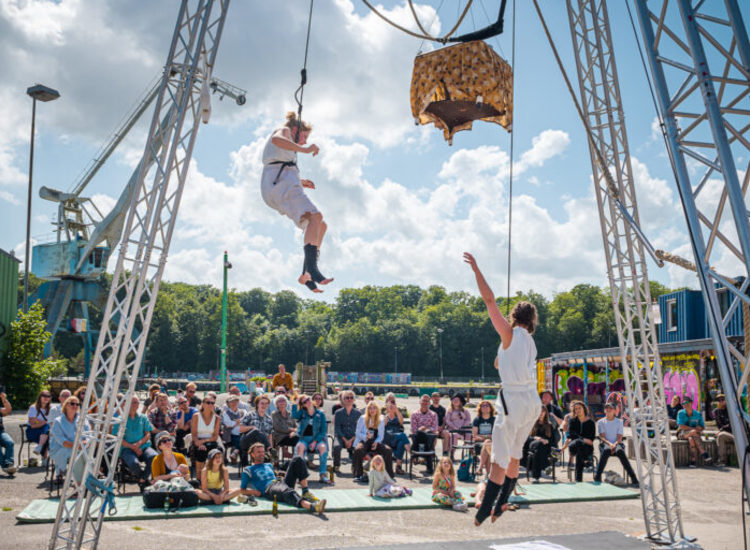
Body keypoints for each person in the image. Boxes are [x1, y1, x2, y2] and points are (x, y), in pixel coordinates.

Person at [464, 252, 541, 525]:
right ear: (532, 320)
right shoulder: (530, 342)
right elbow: (503, 362)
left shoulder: (508, 333)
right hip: (531, 402)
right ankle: (502, 503)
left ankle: (485, 509)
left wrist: (476, 270)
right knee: (515, 455)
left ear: (513, 317)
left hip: (513, 401)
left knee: (499, 457)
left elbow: (489, 300)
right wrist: (501, 355)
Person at [260, 112, 332, 292]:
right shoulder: (284, 131)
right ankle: (312, 270)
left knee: (320, 225)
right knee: (316, 217)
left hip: (278, 187)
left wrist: (300, 181)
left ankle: (306, 274)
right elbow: (277, 140)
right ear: (295, 130)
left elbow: (279, 164)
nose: (305, 142)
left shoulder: (285, 153)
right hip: (280, 186)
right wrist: (305, 150)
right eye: (304, 137)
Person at [240, 442, 326, 514]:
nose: (262, 454)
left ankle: (305, 492)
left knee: (298, 459)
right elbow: (242, 490)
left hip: (279, 483)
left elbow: (274, 476)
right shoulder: (248, 470)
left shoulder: (268, 465)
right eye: (259, 452)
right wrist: (253, 492)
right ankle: (313, 507)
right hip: (269, 489)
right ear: (252, 454)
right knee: (287, 491)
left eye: (263, 451)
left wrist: (281, 474)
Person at [117, 395, 158, 490]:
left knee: (154, 457)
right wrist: (133, 447)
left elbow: (148, 434)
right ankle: (144, 480)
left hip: (143, 446)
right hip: (127, 448)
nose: (135, 405)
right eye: (132, 402)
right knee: (134, 463)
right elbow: (118, 438)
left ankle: (142, 479)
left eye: (136, 402)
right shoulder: (121, 419)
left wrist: (139, 444)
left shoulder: (143, 417)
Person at [594, 402, 638, 486]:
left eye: (610, 408)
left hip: (617, 443)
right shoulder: (600, 422)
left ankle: (634, 478)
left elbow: (620, 436)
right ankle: (598, 476)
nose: (608, 410)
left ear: (614, 411)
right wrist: (610, 444)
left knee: (620, 451)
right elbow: (602, 437)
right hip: (606, 443)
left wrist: (615, 444)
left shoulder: (619, 422)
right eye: (607, 408)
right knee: (606, 450)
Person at [294, 393, 333, 484]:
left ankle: (323, 475)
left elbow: (323, 431)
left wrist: (315, 441)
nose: (307, 402)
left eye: (308, 399)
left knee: (323, 447)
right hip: (304, 439)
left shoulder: (320, 414)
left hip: (316, 439)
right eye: (304, 402)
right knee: (300, 448)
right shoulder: (302, 413)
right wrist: (296, 402)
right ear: (303, 405)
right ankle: (301, 476)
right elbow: (294, 415)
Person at [352, 401, 395, 481]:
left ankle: (389, 476)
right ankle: (358, 475)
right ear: (367, 410)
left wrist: (376, 442)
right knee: (358, 449)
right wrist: (365, 436)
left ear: (377, 409)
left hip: (375, 441)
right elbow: (357, 433)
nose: (372, 410)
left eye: (374, 408)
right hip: (364, 440)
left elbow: (381, 435)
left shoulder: (381, 419)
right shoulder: (362, 418)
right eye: (370, 408)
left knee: (388, 450)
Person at [49, 396, 88, 478]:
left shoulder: (83, 420)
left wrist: (85, 443)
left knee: (94, 451)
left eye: (77, 404)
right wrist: (78, 446)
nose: (75, 406)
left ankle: (87, 477)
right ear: (66, 405)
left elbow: (89, 435)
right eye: (72, 404)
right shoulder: (58, 421)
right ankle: (84, 479)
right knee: (78, 453)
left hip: (81, 447)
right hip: (60, 449)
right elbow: (63, 442)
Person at [563, 401, 595, 482]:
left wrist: (580, 439)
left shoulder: (591, 422)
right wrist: (583, 439)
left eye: (579, 408)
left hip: (587, 448)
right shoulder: (572, 421)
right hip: (573, 446)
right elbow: (571, 435)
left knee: (579, 453)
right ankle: (587, 461)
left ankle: (578, 479)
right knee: (578, 443)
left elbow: (591, 440)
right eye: (576, 409)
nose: (578, 410)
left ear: (584, 409)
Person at [238, 395, 274, 468]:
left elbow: (270, 435)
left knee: (261, 441)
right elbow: (240, 429)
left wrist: (271, 445)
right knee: (255, 431)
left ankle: (268, 452)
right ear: (257, 404)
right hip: (247, 442)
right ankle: (269, 449)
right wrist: (252, 427)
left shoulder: (269, 419)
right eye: (262, 403)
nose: (264, 405)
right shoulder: (250, 415)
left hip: (261, 445)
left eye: (266, 403)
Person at [190, 395, 220, 480]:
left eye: (212, 403)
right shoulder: (196, 416)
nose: (210, 404)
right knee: (201, 451)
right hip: (198, 440)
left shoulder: (216, 418)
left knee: (216, 452)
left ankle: (213, 478)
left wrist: (204, 441)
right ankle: (199, 477)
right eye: (208, 402)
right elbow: (194, 434)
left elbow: (215, 436)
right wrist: (199, 442)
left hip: (210, 441)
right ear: (202, 404)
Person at [676, 396, 711, 467]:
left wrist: (700, 428)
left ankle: (693, 460)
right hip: (682, 433)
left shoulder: (698, 414)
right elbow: (682, 426)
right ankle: (702, 451)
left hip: (694, 435)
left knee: (691, 439)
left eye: (687, 402)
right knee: (693, 432)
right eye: (683, 403)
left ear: (691, 403)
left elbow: (702, 427)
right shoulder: (680, 413)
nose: (685, 404)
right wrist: (694, 429)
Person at [333, 390, 361, 473]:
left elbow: (359, 429)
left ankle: (355, 465)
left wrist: (352, 440)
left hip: (354, 436)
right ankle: (336, 465)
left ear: (354, 399)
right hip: (341, 436)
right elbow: (337, 428)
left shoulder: (358, 413)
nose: (349, 399)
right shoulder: (338, 413)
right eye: (347, 398)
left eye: (351, 397)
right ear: (343, 399)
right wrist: (345, 440)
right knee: (336, 446)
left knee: (359, 448)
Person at [410, 394, 439, 475]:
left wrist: (425, 429)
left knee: (428, 434)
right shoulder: (414, 414)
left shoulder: (434, 414)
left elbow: (435, 428)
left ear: (429, 403)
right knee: (419, 433)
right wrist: (420, 430)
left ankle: (415, 455)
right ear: (420, 402)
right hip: (418, 437)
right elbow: (413, 429)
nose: (425, 403)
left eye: (427, 401)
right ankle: (429, 465)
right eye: (423, 401)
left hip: (429, 437)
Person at [525, 407, 553, 483]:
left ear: (545, 413)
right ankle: (546, 465)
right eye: (539, 411)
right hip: (533, 443)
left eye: (543, 411)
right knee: (539, 445)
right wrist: (536, 438)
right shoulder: (532, 423)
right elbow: (527, 437)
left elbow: (552, 440)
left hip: (544, 446)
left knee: (539, 450)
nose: (541, 413)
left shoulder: (549, 425)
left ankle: (536, 476)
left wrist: (547, 441)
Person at [383, 399, 411, 475]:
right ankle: (412, 453)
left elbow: (401, 422)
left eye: (393, 405)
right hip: (388, 439)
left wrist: (397, 410)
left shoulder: (397, 417)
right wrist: (385, 420)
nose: (391, 407)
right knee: (402, 435)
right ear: (386, 407)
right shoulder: (384, 417)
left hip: (397, 439)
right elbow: (382, 428)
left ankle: (398, 467)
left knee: (401, 443)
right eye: (389, 406)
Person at [443, 393, 472, 459]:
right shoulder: (449, 411)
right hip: (453, 430)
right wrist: (454, 427)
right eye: (454, 400)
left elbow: (468, 420)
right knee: (454, 435)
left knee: (470, 436)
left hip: (463, 429)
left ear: (460, 401)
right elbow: (447, 420)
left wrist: (463, 426)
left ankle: (472, 453)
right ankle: (452, 453)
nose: (455, 401)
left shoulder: (465, 411)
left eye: (457, 400)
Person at [26, 390, 53, 458]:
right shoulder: (33, 408)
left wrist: (38, 421)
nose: (46, 398)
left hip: (44, 432)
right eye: (44, 396)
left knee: (49, 434)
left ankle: (40, 447)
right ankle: (44, 458)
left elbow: (53, 421)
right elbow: (33, 424)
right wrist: (45, 422)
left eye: (48, 396)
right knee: (47, 430)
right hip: (32, 431)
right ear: (40, 397)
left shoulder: (51, 408)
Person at [472, 400, 495, 476]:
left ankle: (480, 467)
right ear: (480, 408)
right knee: (487, 444)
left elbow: (495, 435)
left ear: (491, 408)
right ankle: (488, 475)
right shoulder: (477, 419)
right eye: (483, 406)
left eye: (487, 405)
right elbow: (475, 436)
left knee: (488, 444)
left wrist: (483, 437)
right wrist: (488, 437)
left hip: (493, 444)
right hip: (479, 444)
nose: (485, 407)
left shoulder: (494, 420)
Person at [222, 394, 247, 463]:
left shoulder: (243, 411)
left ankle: (235, 452)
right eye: (231, 402)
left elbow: (246, 420)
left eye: (236, 401)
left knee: (243, 438)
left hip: (242, 433)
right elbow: (228, 424)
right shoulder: (225, 413)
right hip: (230, 435)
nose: (234, 403)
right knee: (240, 439)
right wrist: (237, 422)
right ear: (228, 404)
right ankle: (243, 461)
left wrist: (234, 423)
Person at [712, 394, 735, 467]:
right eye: (719, 400)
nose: (721, 401)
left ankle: (722, 461)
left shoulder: (731, 410)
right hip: (725, 433)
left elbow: (731, 424)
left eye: (723, 400)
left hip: (734, 434)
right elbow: (719, 425)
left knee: (721, 435)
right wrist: (721, 430)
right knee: (719, 436)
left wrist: (721, 430)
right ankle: (720, 460)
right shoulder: (716, 411)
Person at [0, 392, 16, 475]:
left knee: (9, 442)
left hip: (1, 432)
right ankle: (5, 466)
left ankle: (9, 463)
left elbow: (8, 410)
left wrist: (4, 399)